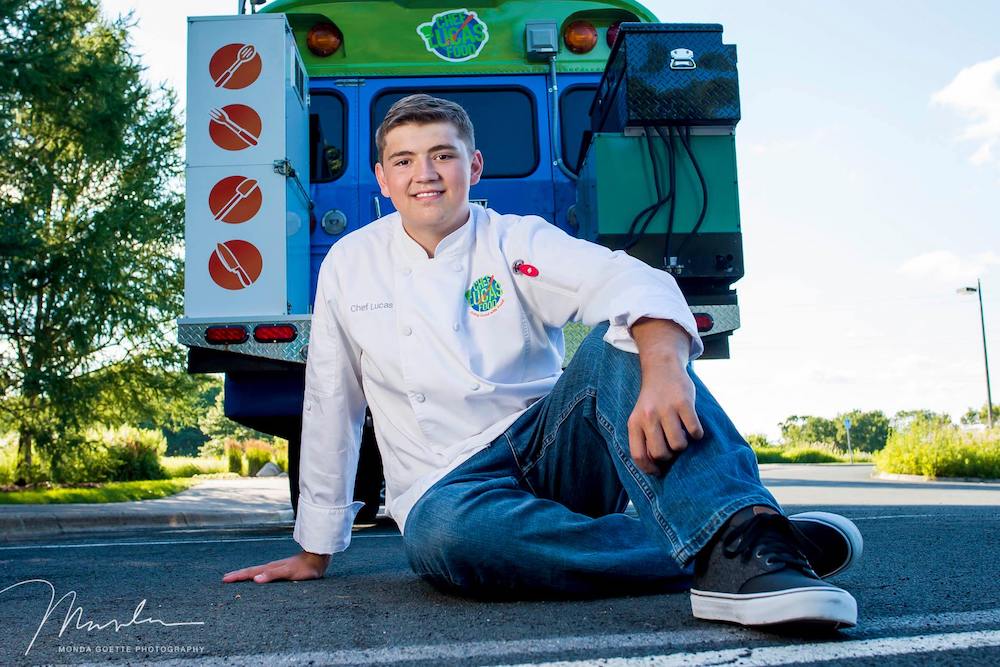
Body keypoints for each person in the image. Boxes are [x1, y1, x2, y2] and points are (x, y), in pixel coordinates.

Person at [223, 94, 863, 629]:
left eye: (443, 155)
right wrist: (315, 548)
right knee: (449, 545)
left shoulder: (514, 239)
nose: (426, 173)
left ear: (473, 165)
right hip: (447, 490)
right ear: (383, 177)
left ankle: (747, 554)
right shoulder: (349, 262)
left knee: (625, 339)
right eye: (405, 160)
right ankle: (734, 536)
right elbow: (333, 400)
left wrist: (664, 369)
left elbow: (627, 280)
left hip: (550, 448)